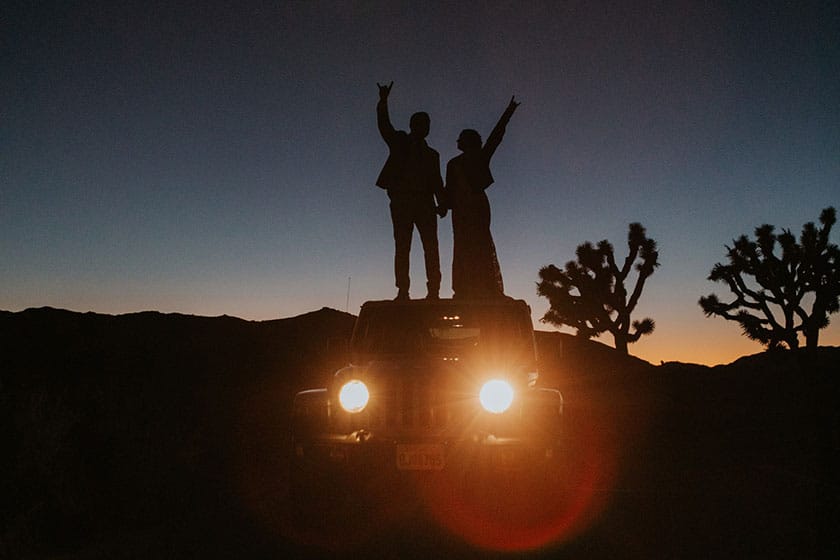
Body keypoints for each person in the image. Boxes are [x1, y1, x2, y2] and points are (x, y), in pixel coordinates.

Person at [376, 81, 447, 300]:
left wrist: (442, 203)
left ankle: (433, 289)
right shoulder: (399, 141)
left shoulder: (432, 154)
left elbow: (437, 181)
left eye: (427, 124)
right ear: (413, 125)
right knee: (402, 246)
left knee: (431, 247)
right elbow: (384, 126)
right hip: (402, 202)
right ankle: (403, 290)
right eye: (421, 123)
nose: (425, 127)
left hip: (425, 204)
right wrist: (383, 102)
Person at [444, 96, 519, 299]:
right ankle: (464, 288)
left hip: (476, 206)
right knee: (462, 246)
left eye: (461, 138)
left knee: (481, 243)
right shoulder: (452, 164)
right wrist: (442, 206)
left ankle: (486, 286)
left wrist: (509, 112)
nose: (458, 141)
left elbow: (496, 137)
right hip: (461, 210)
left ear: (468, 141)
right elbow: (448, 190)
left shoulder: (478, 157)